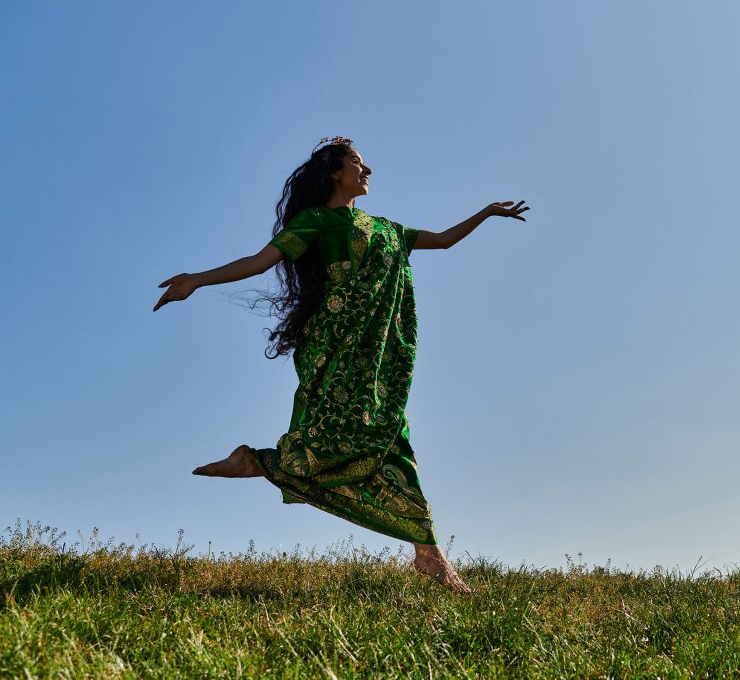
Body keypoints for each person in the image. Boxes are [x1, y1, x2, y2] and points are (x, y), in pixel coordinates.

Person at [153, 136, 529, 593]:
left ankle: (428, 555)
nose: (368, 171)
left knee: (392, 437)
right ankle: (260, 464)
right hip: (336, 352)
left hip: (377, 360)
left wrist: (487, 213)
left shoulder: (388, 229)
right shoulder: (315, 222)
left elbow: (445, 241)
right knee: (348, 437)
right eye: (358, 163)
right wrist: (196, 279)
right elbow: (258, 262)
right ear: (335, 172)